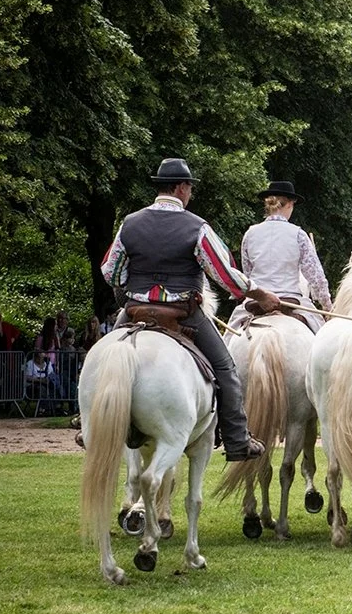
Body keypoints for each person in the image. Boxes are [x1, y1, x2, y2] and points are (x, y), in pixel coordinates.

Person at [100, 157, 280, 461]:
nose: (190, 192)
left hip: (135, 310)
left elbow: (110, 271)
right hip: (183, 312)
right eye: (190, 187)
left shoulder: (129, 223)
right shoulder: (197, 227)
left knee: (102, 360)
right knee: (225, 368)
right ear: (182, 187)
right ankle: (237, 440)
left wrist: (133, 284)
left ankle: (89, 424)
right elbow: (224, 273)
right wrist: (258, 293)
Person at [230, 180, 334, 332]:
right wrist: (327, 306)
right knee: (323, 340)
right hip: (291, 299)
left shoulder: (250, 234)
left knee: (228, 339)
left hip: (257, 300)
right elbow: (316, 277)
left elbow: (248, 274)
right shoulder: (299, 235)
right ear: (290, 204)